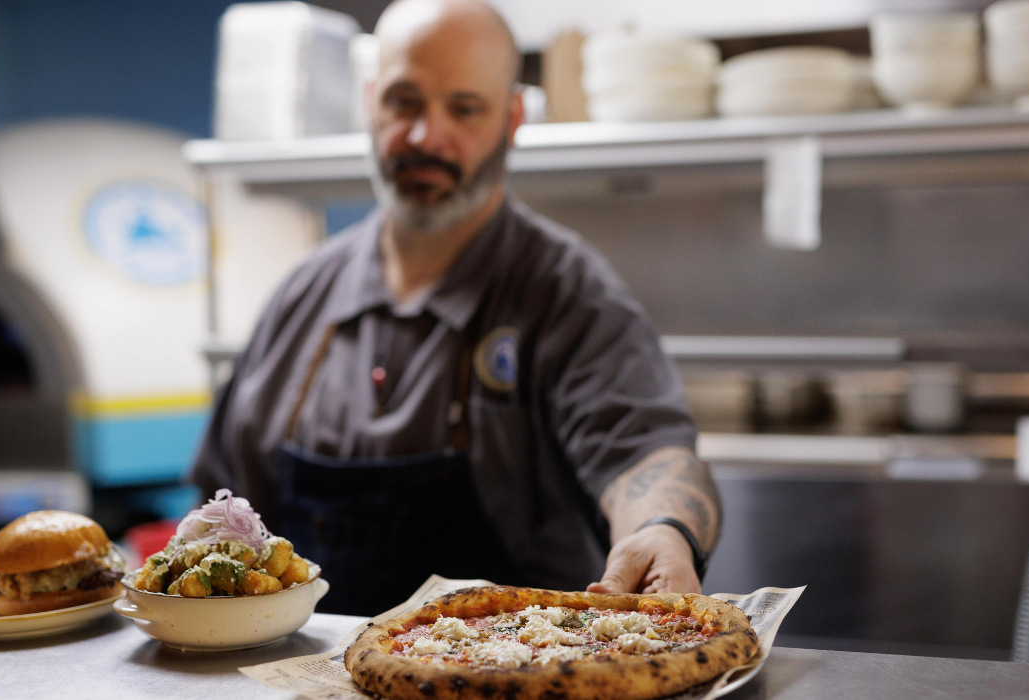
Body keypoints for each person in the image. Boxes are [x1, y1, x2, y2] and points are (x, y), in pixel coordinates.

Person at [191, 0, 721, 616]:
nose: (425, 136)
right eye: (403, 101)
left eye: (464, 108)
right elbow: (219, 508)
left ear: (512, 118)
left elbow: (643, 454)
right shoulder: (301, 296)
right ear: (370, 101)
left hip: (517, 674)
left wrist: (664, 527)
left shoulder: (567, 294)